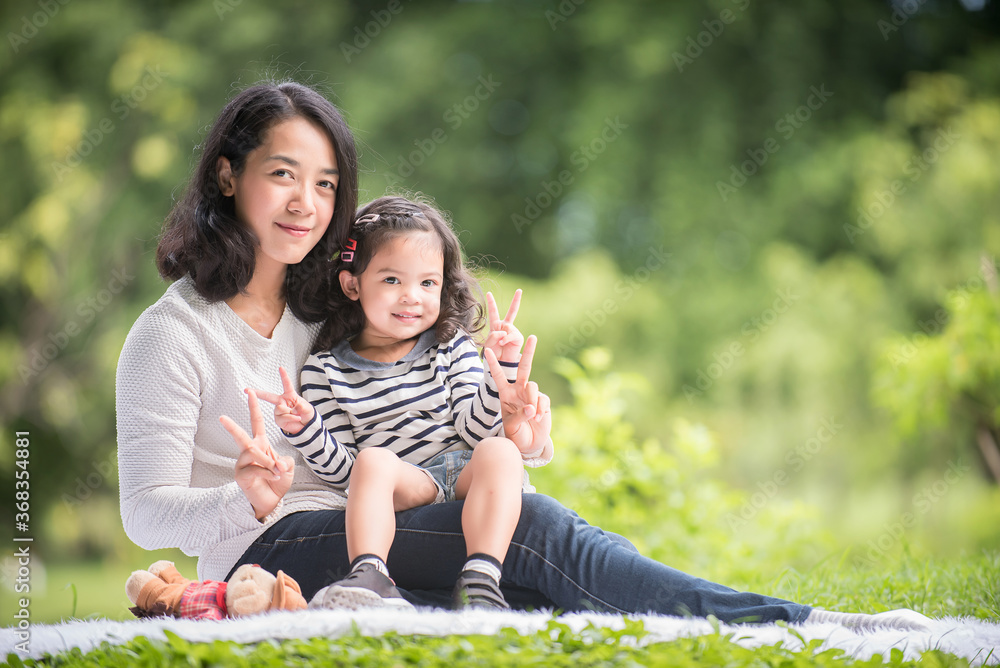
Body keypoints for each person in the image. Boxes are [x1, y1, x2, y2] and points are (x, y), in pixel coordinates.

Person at [116, 80, 930, 630]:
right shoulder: (173, 334)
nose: (307, 203)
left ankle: (772, 624)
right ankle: (791, 625)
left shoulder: (328, 303)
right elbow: (143, 512)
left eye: (326, 184)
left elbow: (430, 411)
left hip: (382, 524)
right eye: (282, 175)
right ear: (228, 176)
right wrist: (244, 500)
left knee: (526, 568)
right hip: (272, 550)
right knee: (537, 533)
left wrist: (518, 432)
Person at [248, 196, 554, 611]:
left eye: (428, 283)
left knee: (500, 450)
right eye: (392, 280)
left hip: (468, 471)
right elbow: (345, 474)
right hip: (409, 484)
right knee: (372, 460)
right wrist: (306, 430)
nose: (412, 296)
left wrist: (498, 380)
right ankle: (370, 575)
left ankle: (481, 580)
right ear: (352, 284)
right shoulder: (325, 370)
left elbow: (476, 431)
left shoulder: (451, 347)